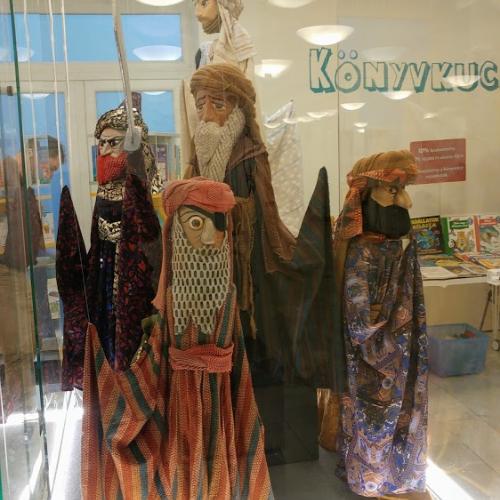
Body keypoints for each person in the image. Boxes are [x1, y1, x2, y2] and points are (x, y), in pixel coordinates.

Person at [185, 62, 345, 463]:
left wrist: (229, 213)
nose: (207, 114)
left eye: (217, 103)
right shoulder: (197, 158)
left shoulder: (251, 153)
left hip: (248, 266)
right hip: (204, 269)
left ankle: (259, 430)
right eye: (201, 104)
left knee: (253, 343)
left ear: (237, 108)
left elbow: (266, 209)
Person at [82, 178, 272, 500]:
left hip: (221, 407)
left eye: (219, 223)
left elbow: (239, 367)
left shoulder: (228, 294)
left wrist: (245, 423)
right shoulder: (169, 302)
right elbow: (154, 364)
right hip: (179, 409)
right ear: (175, 232)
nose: (210, 237)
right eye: (196, 223)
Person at [330, 150, 429, 497]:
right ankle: (371, 480)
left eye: (404, 190)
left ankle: (400, 476)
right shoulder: (361, 251)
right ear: (364, 196)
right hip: (375, 363)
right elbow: (360, 324)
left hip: (404, 355)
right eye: (393, 191)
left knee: (404, 412)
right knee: (374, 418)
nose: (406, 202)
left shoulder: (397, 246)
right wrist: (392, 340)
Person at [56, 97, 162, 390]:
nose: (103, 150)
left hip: (136, 283)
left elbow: (150, 242)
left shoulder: (143, 192)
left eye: (113, 143)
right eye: (101, 144)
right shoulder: (105, 191)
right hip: (104, 280)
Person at [0, 135, 64, 418]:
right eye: (50, 167)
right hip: (6, 272)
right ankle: (19, 413)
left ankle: (24, 409)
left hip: (17, 270)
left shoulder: (20, 184)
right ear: (37, 155)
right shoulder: (6, 176)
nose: (48, 175)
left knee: (25, 347)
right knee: (17, 349)